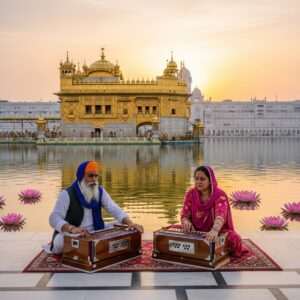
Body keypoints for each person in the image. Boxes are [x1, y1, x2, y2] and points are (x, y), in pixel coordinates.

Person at [48, 160, 143, 254]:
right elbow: (54, 218)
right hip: (75, 232)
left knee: (123, 226)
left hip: (96, 230)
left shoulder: (100, 191)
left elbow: (113, 208)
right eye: (90, 176)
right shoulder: (67, 194)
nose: (94, 179)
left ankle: (93, 248)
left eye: (96, 176)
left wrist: (130, 223)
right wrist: (72, 229)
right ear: (81, 176)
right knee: (60, 243)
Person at [181, 165, 247, 257]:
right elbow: (185, 214)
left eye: (202, 179)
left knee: (234, 238)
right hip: (195, 231)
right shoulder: (191, 194)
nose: (198, 182)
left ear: (210, 180)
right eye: (196, 179)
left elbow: (221, 215)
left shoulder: (219, 195)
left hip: (217, 231)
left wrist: (214, 230)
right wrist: (186, 221)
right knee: (170, 233)